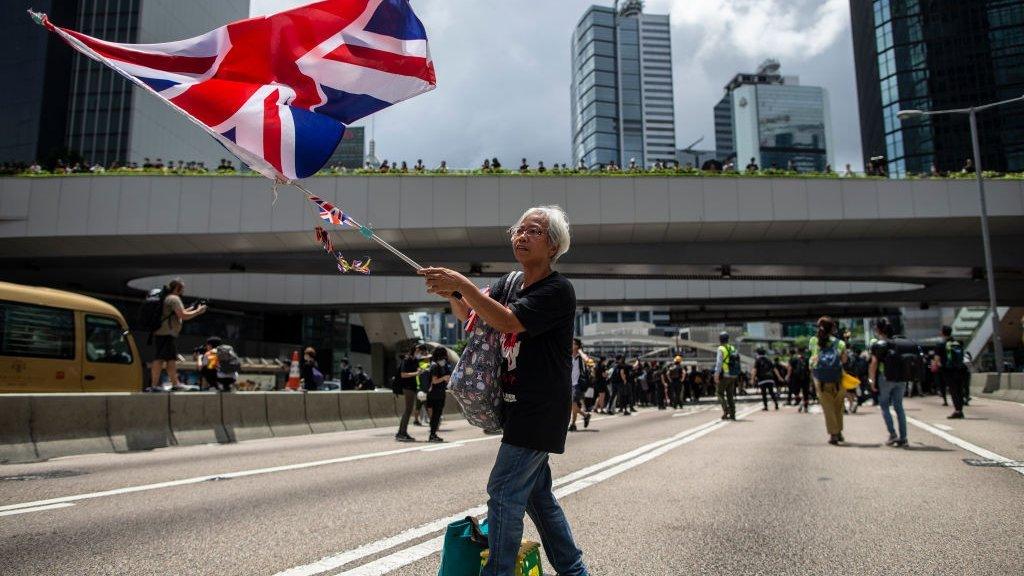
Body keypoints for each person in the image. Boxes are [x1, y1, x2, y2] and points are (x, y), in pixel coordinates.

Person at [419, 205, 589, 576]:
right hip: (516, 406)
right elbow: (471, 315)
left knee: (503, 492)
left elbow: (507, 320)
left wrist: (462, 283)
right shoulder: (510, 284)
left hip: (540, 409)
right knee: (537, 497)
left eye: (534, 231)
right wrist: (453, 292)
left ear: (554, 244)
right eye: (519, 230)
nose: (522, 236)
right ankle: (574, 571)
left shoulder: (557, 289)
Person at [150, 279, 207, 391]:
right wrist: (198, 311)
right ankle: (155, 385)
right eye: (182, 288)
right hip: (166, 333)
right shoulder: (174, 298)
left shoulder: (168, 298)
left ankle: (174, 384)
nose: (183, 290)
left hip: (164, 333)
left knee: (170, 359)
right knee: (160, 359)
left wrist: (192, 308)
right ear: (177, 288)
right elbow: (183, 315)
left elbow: (176, 314)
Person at [869, 318, 909, 447]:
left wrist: (872, 380)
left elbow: (874, 363)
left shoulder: (877, 343)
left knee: (885, 406)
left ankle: (892, 435)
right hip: (901, 378)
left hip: (885, 378)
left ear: (878, 329)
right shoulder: (899, 342)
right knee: (899, 407)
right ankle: (903, 437)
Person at [810, 316, 848, 444]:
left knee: (828, 407)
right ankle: (838, 431)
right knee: (838, 406)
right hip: (838, 377)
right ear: (833, 328)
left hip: (820, 378)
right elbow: (844, 360)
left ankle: (834, 434)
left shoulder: (814, 341)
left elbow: (813, 358)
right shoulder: (840, 343)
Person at [934, 325, 969, 419]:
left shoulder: (940, 345)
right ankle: (960, 410)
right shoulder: (958, 342)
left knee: (953, 390)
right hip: (960, 369)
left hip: (948, 370)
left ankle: (957, 411)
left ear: (942, 333)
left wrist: (941, 368)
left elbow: (937, 360)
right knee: (959, 390)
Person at [395, 343, 428, 442]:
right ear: (416, 350)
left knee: (409, 410)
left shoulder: (415, 360)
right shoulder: (407, 359)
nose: (421, 354)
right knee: (408, 410)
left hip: (413, 387)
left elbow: (416, 370)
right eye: (420, 352)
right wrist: (416, 373)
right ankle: (401, 433)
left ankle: (402, 432)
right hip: (407, 387)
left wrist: (421, 370)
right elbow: (403, 374)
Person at [425, 347, 451, 442]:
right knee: (436, 415)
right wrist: (444, 378)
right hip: (437, 394)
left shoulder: (435, 365)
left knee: (435, 416)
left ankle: (433, 434)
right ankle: (432, 435)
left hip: (434, 393)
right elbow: (434, 381)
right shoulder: (435, 366)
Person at [568, 338, 592, 431]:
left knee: (573, 404)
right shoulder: (569, 355)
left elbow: (588, 361)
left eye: (573, 343)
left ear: (577, 346)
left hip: (577, 384)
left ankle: (576, 421)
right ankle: (578, 421)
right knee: (573, 405)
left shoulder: (580, 357)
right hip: (569, 384)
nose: (571, 344)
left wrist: (580, 351)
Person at [714, 332, 738, 420]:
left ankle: (726, 410)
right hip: (733, 375)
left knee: (719, 393)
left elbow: (719, 362)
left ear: (720, 339)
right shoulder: (732, 348)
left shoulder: (721, 348)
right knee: (730, 395)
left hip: (724, 375)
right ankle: (733, 414)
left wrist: (716, 374)